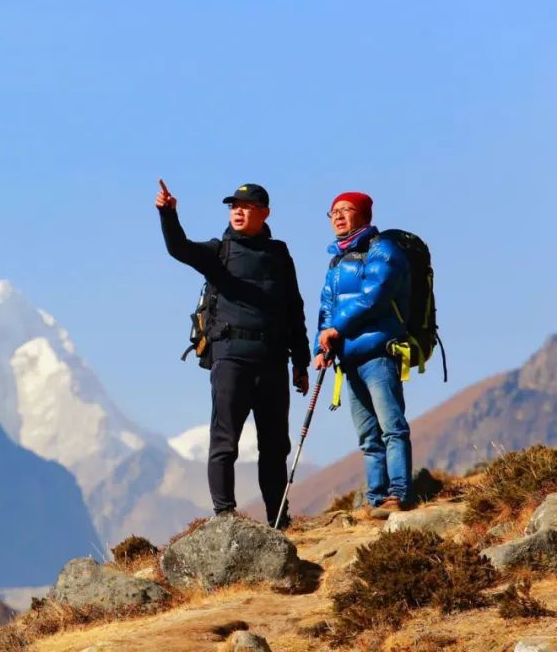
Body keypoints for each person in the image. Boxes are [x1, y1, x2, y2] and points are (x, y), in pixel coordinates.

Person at [156, 180, 310, 528]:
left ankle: (278, 520)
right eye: (233, 207)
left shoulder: (279, 254)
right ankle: (225, 516)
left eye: (246, 207)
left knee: (275, 447)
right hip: (231, 358)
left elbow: (294, 309)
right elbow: (178, 248)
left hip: (273, 360)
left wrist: (300, 362)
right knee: (225, 441)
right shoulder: (218, 252)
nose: (238, 212)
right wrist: (168, 213)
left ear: (264, 213)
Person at [313, 191, 413, 519]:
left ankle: (399, 493)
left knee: (391, 426)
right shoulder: (336, 261)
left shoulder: (383, 249)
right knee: (368, 436)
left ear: (364, 215)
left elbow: (374, 296)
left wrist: (336, 328)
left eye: (346, 210)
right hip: (348, 359)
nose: (338, 216)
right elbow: (326, 307)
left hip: (378, 354)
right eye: (334, 212)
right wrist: (320, 346)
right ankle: (375, 499)